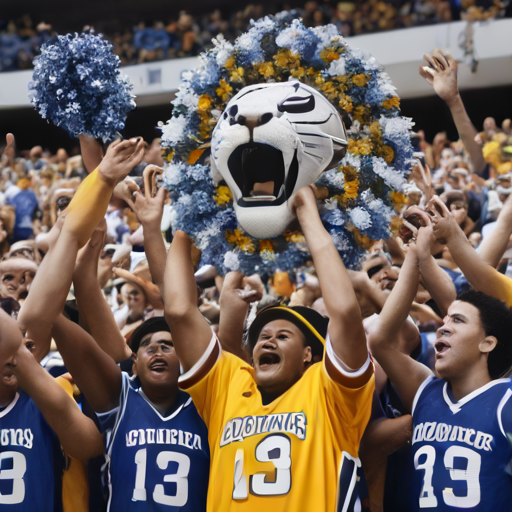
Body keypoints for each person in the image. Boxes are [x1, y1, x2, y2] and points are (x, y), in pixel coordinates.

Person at [163, 185, 374, 511]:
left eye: (283, 336)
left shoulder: (330, 392)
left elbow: (345, 312)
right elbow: (178, 311)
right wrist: (186, 220)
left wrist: (307, 212)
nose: (267, 340)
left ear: (309, 355)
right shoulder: (230, 384)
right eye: (262, 336)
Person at [368, 239, 512, 511]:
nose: (444, 327)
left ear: (488, 343)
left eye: (457, 320)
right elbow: (381, 341)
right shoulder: (426, 391)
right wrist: (413, 256)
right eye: (444, 321)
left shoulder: (506, 398)